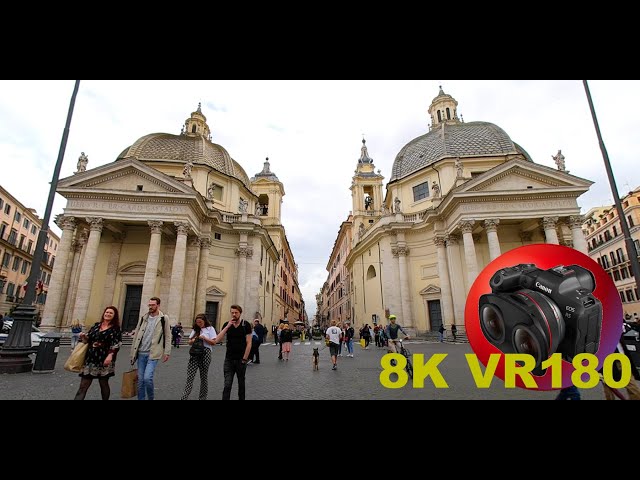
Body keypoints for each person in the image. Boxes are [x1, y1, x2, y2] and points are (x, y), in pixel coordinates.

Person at [73, 306, 122, 400]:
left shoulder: (115, 329)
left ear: (114, 316)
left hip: (105, 358)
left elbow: (117, 343)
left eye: (111, 313)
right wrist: (83, 336)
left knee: (103, 383)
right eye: (107, 312)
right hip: (91, 358)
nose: (108, 314)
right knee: (83, 386)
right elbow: (88, 339)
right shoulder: (96, 326)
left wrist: (110, 355)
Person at [130, 297, 171, 400]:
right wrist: (132, 353)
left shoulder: (163, 318)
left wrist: (167, 352)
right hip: (141, 352)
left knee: (147, 378)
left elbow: (168, 335)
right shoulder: (144, 317)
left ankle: (151, 398)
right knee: (140, 380)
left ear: (158, 305)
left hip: (153, 353)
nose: (150, 307)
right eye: (149, 305)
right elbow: (137, 334)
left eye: (153, 305)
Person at [214, 304, 252, 400]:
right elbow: (217, 340)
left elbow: (249, 343)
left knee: (241, 384)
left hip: (241, 360)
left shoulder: (246, 325)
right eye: (232, 313)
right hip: (229, 359)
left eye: (236, 313)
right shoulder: (227, 324)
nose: (234, 314)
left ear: (240, 313)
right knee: (227, 385)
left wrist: (244, 359)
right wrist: (227, 327)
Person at [181, 314, 217, 400]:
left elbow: (214, 342)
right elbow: (189, 342)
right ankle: (184, 397)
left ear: (204, 321)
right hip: (195, 353)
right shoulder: (195, 329)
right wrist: (195, 339)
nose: (198, 324)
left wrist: (204, 338)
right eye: (197, 322)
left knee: (203, 377)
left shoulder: (210, 329)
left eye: (200, 322)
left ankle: (202, 398)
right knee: (190, 376)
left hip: (206, 353)